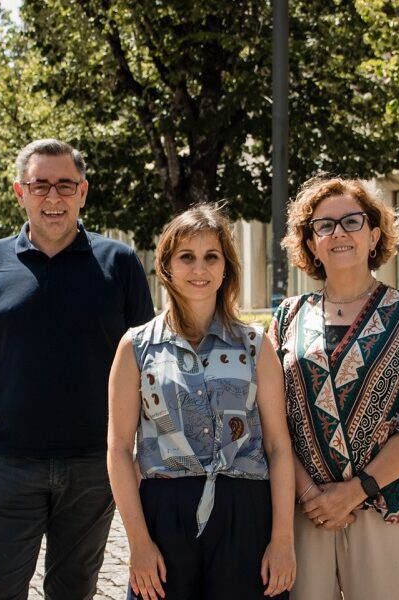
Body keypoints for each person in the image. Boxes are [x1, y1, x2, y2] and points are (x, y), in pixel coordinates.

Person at [0, 138, 155, 600]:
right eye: (40, 186)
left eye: (65, 185)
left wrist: (143, 452)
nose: (53, 198)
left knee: (74, 592)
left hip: (94, 466)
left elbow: (148, 364)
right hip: (9, 463)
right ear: (20, 192)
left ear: (83, 191)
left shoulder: (119, 264)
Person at [267, 176, 399, 600]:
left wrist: (355, 492)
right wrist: (311, 496)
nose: (338, 232)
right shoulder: (287, 317)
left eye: (351, 221)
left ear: (374, 235)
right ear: (311, 242)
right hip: (304, 510)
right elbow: (271, 420)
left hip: (388, 505)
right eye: (324, 225)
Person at [108, 205, 296, 600]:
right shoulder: (136, 347)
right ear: (166, 266)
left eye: (212, 256)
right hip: (165, 511)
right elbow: (119, 450)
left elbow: (279, 448)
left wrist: (282, 539)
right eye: (186, 257)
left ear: (225, 267)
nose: (200, 268)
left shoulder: (255, 346)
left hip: (245, 513)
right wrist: (139, 543)